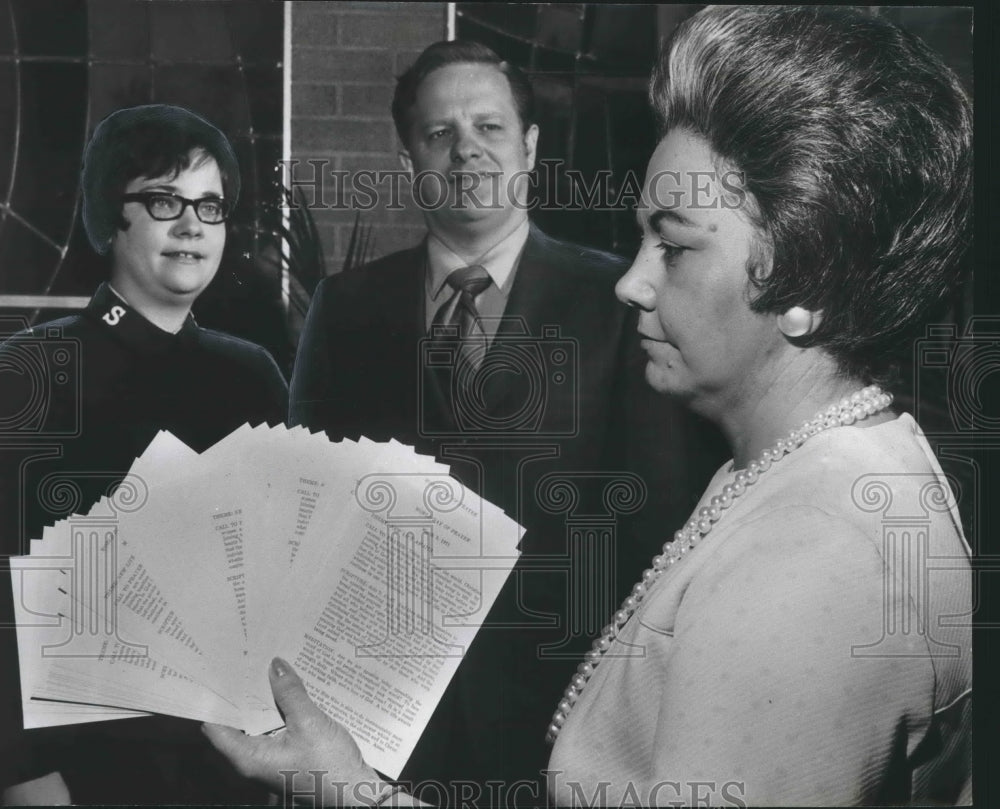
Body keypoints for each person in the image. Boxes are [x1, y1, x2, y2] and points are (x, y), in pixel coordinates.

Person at [204, 6, 973, 806]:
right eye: (642, 240)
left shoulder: (806, 568)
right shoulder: (800, 479)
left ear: (806, 280)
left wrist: (344, 794)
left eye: (673, 245)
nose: (632, 282)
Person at [287, 39, 722, 800]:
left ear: (529, 147)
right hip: (377, 720)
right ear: (407, 160)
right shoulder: (345, 310)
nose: (466, 152)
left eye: (489, 128)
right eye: (439, 134)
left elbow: (657, 531)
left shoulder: (620, 305)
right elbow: (303, 512)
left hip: (560, 717)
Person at [0, 104, 287, 804]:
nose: (192, 225)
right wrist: (22, 774)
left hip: (233, 761)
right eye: (165, 200)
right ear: (109, 215)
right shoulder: (30, 368)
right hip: (79, 765)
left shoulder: (254, 374)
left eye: (210, 206)